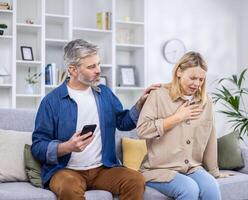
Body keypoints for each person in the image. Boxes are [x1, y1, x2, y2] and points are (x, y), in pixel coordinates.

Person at [31, 39, 160, 200]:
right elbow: (38, 146)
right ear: (73, 69)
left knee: (135, 180)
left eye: (98, 64)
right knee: (69, 187)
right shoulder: (51, 101)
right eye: (91, 66)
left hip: (103, 169)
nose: (99, 70)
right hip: (66, 170)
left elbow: (124, 122)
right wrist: (66, 147)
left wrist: (140, 104)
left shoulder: (104, 93)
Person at [136, 51, 232, 200]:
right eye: (193, 78)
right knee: (189, 189)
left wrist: (214, 172)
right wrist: (177, 117)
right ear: (179, 71)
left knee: (211, 187)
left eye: (201, 79)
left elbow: (210, 138)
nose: (197, 84)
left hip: (191, 167)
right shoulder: (158, 95)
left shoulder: (206, 101)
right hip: (159, 169)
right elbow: (142, 130)